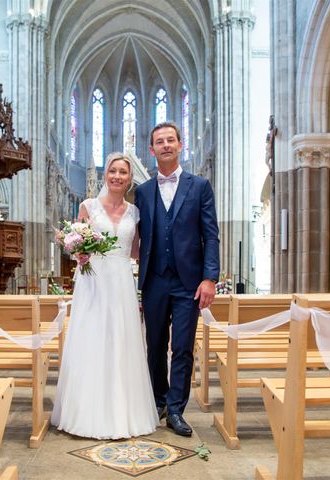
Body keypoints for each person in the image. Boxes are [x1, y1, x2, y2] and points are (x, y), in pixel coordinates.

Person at [51, 152, 158, 439]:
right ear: (105, 174)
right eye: (113, 171)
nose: (117, 176)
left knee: (121, 341)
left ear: (129, 178)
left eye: (123, 172)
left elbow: (136, 250)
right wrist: (78, 251)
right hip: (93, 282)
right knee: (92, 339)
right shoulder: (88, 206)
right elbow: (76, 245)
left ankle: (123, 412)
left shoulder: (134, 213)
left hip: (122, 280)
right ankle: (87, 412)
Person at [134, 121, 220, 437]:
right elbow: (135, 236)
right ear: (152, 149)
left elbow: (211, 236)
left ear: (180, 145)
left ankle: (175, 410)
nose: (166, 145)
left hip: (189, 282)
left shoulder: (199, 187)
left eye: (171, 140)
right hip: (154, 280)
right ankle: (158, 400)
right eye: (160, 141)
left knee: (182, 347)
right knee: (154, 345)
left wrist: (209, 277)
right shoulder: (141, 192)